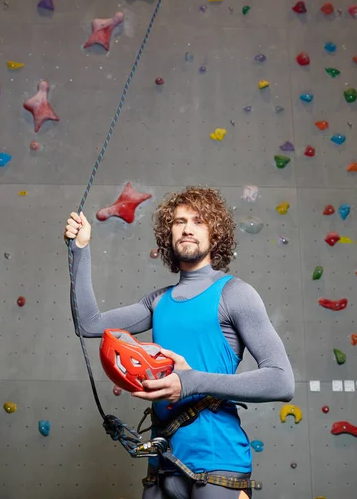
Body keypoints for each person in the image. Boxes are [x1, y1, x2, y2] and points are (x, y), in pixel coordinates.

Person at [64, 186, 295, 499]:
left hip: (218, 465)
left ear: (215, 236)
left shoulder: (235, 294)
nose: (187, 228)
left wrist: (192, 382)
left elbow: (281, 382)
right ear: (168, 234)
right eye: (179, 221)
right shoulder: (158, 301)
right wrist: (80, 249)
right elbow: (87, 323)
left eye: (199, 221)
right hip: (163, 465)